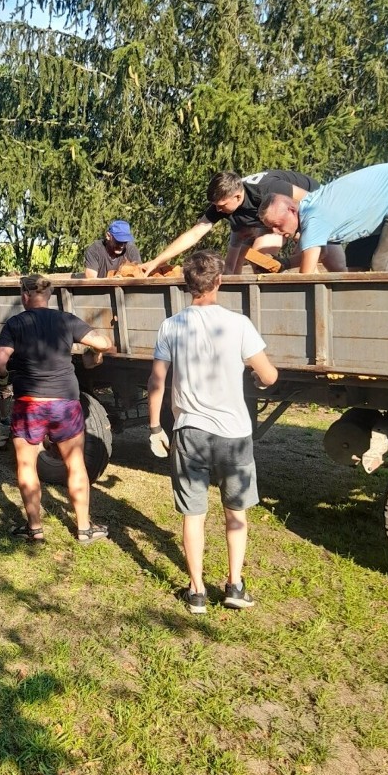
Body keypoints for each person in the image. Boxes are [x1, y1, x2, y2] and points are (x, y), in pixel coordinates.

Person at [147, 250, 278, 614]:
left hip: (189, 431)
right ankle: (234, 585)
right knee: (235, 512)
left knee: (194, 513)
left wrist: (155, 425)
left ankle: (197, 591)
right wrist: (255, 376)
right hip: (234, 435)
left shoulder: (171, 326)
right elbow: (268, 375)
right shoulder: (239, 324)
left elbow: (157, 380)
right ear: (218, 282)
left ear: (186, 284)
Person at [0, 274, 114, 543]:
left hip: (29, 405)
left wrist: (3, 379)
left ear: (24, 295)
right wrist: (97, 353)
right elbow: (103, 343)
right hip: (65, 404)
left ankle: (34, 528)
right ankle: (83, 528)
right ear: (49, 296)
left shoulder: (15, 323)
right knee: (75, 464)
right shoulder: (65, 320)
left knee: (26, 464)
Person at [143, 170, 346, 274]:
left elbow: (311, 207)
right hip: (256, 221)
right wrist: (156, 261)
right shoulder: (225, 205)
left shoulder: (268, 190)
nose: (218, 211)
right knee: (255, 262)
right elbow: (195, 233)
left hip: (304, 207)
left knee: (333, 264)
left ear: (238, 197)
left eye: (222, 206)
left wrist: (306, 244)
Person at [259, 162, 388, 274]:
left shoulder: (314, 217)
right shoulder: (310, 207)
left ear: (291, 210)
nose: (276, 232)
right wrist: (284, 264)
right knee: (355, 258)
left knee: (385, 266)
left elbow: (306, 275)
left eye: (277, 224)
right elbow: (323, 253)